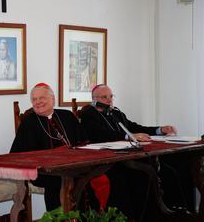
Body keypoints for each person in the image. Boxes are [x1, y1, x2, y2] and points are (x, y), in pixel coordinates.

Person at [80, 84, 195, 220]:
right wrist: (128, 136)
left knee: (170, 168)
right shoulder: (89, 114)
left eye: (111, 96)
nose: (109, 100)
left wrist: (160, 129)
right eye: (104, 97)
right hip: (110, 161)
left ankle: (174, 211)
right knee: (143, 174)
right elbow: (98, 134)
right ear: (94, 99)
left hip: (128, 156)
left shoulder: (116, 112)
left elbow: (134, 127)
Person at [10, 83, 90, 211]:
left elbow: (83, 144)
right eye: (34, 99)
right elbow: (20, 153)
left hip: (73, 166)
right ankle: (58, 218)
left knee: (90, 177)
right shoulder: (28, 123)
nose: (38, 102)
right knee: (59, 180)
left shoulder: (67, 116)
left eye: (42, 98)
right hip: (44, 171)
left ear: (52, 99)